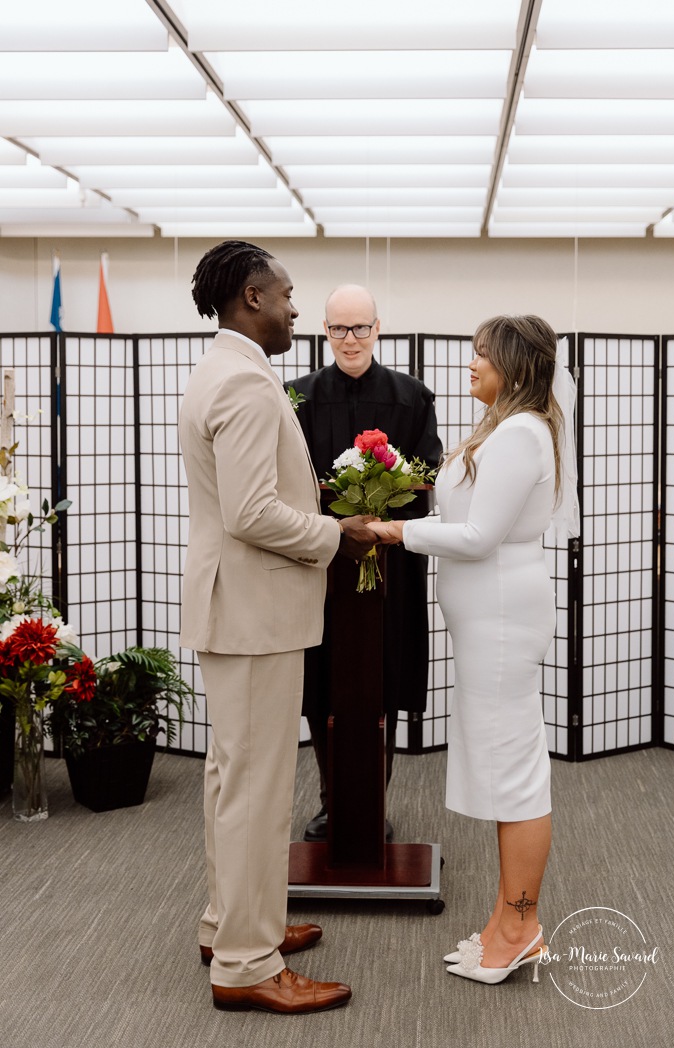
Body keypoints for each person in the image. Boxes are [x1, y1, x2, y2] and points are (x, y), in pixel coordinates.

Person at [179, 242, 377, 1013]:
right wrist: (337, 532)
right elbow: (252, 512)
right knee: (256, 789)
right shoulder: (248, 386)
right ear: (252, 297)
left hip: (235, 607)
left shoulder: (219, 370)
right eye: (289, 295)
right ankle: (247, 965)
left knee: (232, 778)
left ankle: (230, 922)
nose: (298, 309)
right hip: (254, 613)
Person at [369, 315, 579, 985]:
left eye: (481, 356)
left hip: (501, 617)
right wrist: (395, 520)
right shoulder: (502, 429)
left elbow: (480, 536)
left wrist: (394, 533)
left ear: (513, 367)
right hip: (487, 617)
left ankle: (520, 926)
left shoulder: (519, 434)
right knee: (504, 768)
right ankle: (506, 923)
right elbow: (463, 521)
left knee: (515, 774)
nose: (470, 365)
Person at [286, 284, 442, 842]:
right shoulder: (296, 398)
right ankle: (332, 800)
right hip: (320, 564)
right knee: (321, 679)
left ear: (378, 328)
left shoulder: (411, 397)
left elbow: (426, 481)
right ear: (324, 332)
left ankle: (372, 800)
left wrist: (377, 520)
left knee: (384, 674)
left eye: (361, 328)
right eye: (338, 329)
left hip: (389, 569)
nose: (350, 340)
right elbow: (286, 485)